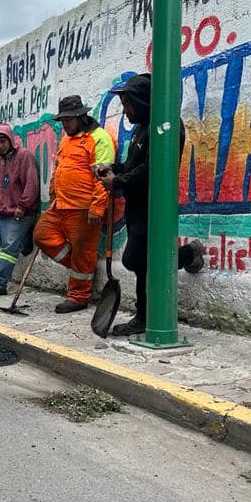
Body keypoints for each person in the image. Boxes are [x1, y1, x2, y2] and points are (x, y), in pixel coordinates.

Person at [95, 73, 203, 336]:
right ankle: (144, 314)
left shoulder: (164, 126)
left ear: (143, 101)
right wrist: (114, 169)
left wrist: (118, 179)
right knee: (143, 260)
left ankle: (187, 255)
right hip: (137, 206)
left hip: (153, 207)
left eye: (128, 104)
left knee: (136, 259)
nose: (125, 111)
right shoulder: (143, 128)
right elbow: (135, 166)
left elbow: (152, 170)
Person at [34, 95, 116, 313]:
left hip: (83, 207)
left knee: (83, 250)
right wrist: (53, 193)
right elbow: (58, 168)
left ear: (81, 116)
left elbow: (104, 175)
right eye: (62, 120)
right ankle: (82, 266)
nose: (65, 124)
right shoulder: (67, 139)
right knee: (41, 235)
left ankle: (79, 297)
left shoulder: (99, 138)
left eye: (68, 120)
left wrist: (97, 207)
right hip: (60, 204)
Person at [0, 123, 40, 298]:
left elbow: (31, 184)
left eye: (3, 141)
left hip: (18, 214)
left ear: (10, 140)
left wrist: (22, 206)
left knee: (9, 248)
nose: (0, 145)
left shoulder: (24, 156)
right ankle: (21, 239)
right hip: (0, 215)